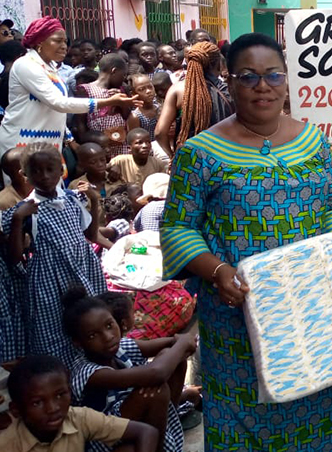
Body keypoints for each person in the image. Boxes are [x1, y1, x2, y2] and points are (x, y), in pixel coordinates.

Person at [160, 33, 332, 450]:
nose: (262, 86)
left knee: (321, 415)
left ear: (287, 82)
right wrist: (218, 271)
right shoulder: (201, 152)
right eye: (248, 77)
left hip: (312, 312)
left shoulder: (314, 140)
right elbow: (177, 227)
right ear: (229, 83)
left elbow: (331, 207)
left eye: (272, 76)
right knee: (242, 421)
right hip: (237, 319)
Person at [0, 143, 107, 367]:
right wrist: (19, 220)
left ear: (62, 170)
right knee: (53, 331)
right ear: (24, 175)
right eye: (36, 171)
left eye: (50, 169)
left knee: (89, 324)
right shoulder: (25, 210)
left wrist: (94, 201)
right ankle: (62, 379)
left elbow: (89, 234)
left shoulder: (71, 199)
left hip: (82, 271)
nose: (44, 176)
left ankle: (94, 372)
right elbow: (14, 258)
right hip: (49, 281)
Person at [0, 19, 137, 178]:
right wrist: (109, 102)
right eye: (57, 41)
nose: (64, 46)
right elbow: (59, 103)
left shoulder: (49, 67)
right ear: (39, 42)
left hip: (47, 145)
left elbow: (55, 108)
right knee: (28, 198)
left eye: (65, 41)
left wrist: (69, 139)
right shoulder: (26, 65)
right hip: (24, 142)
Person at [62, 287, 192, 452]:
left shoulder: (120, 346)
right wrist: (183, 342)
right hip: (104, 438)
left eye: (109, 325)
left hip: (131, 420)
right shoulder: (88, 372)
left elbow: (171, 346)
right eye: (93, 335)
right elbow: (156, 373)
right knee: (155, 389)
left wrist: (179, 345)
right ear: (78, 342)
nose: (108, 336)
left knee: (171, 356)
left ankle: (167, 425)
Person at [0, 355, 158, 452]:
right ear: (16, 410)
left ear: (70, 391)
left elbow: (147, 432)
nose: (53, 408)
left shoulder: (78, 417)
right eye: (37, 403)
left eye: (60, 395)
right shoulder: (8, 445)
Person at [155, 41, 233, 157]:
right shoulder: (230, 91)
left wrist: (172, 156)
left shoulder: (177, 89)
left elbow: (160, 132)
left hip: (188, 161)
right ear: (219, 65)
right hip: (224, 158)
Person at [76, 53, 132, 160]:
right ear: (114, 71)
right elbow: (80, 122)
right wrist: (87, 146)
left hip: (121, 145)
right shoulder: (85, 90)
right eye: (123, 75)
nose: (124, 79)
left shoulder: (121, 90)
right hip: (99, 146)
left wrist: (121, 101)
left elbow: (127, 116)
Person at [125, 75, 159, 140]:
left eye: (150, 87)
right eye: (141, 89)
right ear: (133, 94)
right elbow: (135, 140)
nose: (148, 91)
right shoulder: (135, 116)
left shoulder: (160, 108)